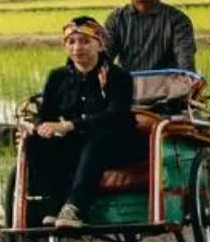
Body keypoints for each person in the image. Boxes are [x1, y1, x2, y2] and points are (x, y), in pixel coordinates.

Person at [22, 16, 141, 231]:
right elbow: (46, 114)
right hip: (78, 144)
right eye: (72, 42)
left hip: (118, 143)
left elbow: (115, 115)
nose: (78, 48)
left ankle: (76, 206)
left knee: (97, 139)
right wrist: (37, 126)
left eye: (85, 41)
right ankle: (52, 202)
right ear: (65, 45)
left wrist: (70, 125)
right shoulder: (57, 77)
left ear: (100, 44)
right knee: (36, 141)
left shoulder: (118, 77)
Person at [104, 0, 196, 72]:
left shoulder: (177, 19)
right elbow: (105, 55)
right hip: (128, 84)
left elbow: (185, 57)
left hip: (167, 85)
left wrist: (188, 77)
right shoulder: (117, 19)